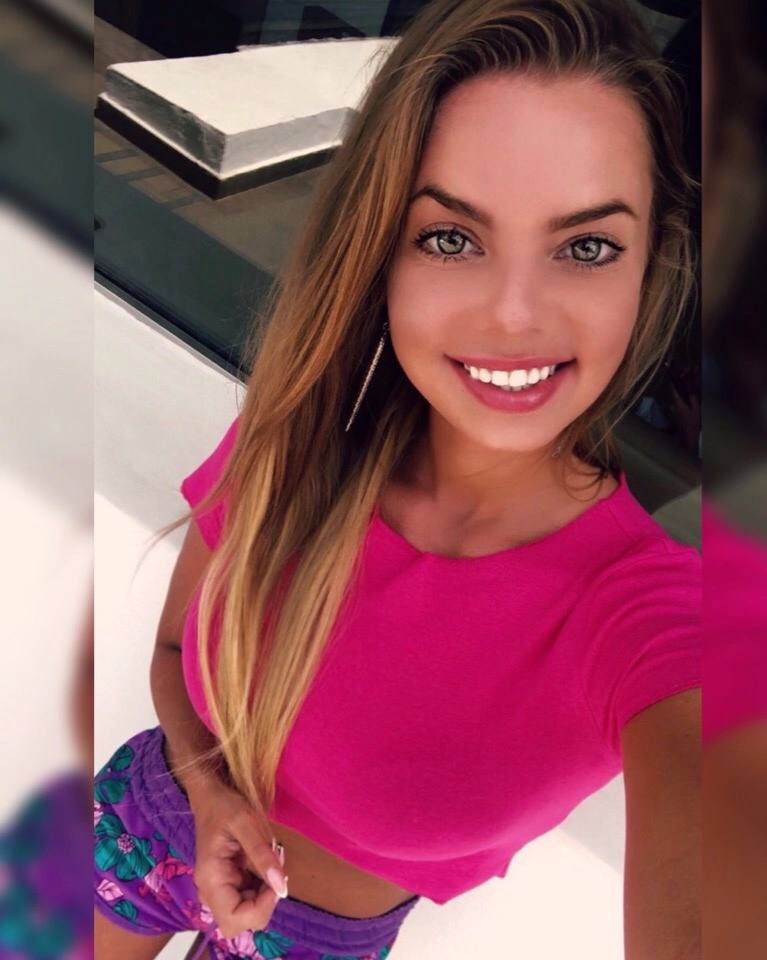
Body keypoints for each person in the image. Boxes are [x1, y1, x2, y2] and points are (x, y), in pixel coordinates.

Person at [94, 1, 702, 957]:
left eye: (585, 247)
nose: (512, 315)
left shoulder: (650, 617)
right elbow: (175, 651)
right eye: (451, 238)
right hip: (146, 823)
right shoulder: (294, 438)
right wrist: (209, 794)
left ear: (648, 267)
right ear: (380, 249)